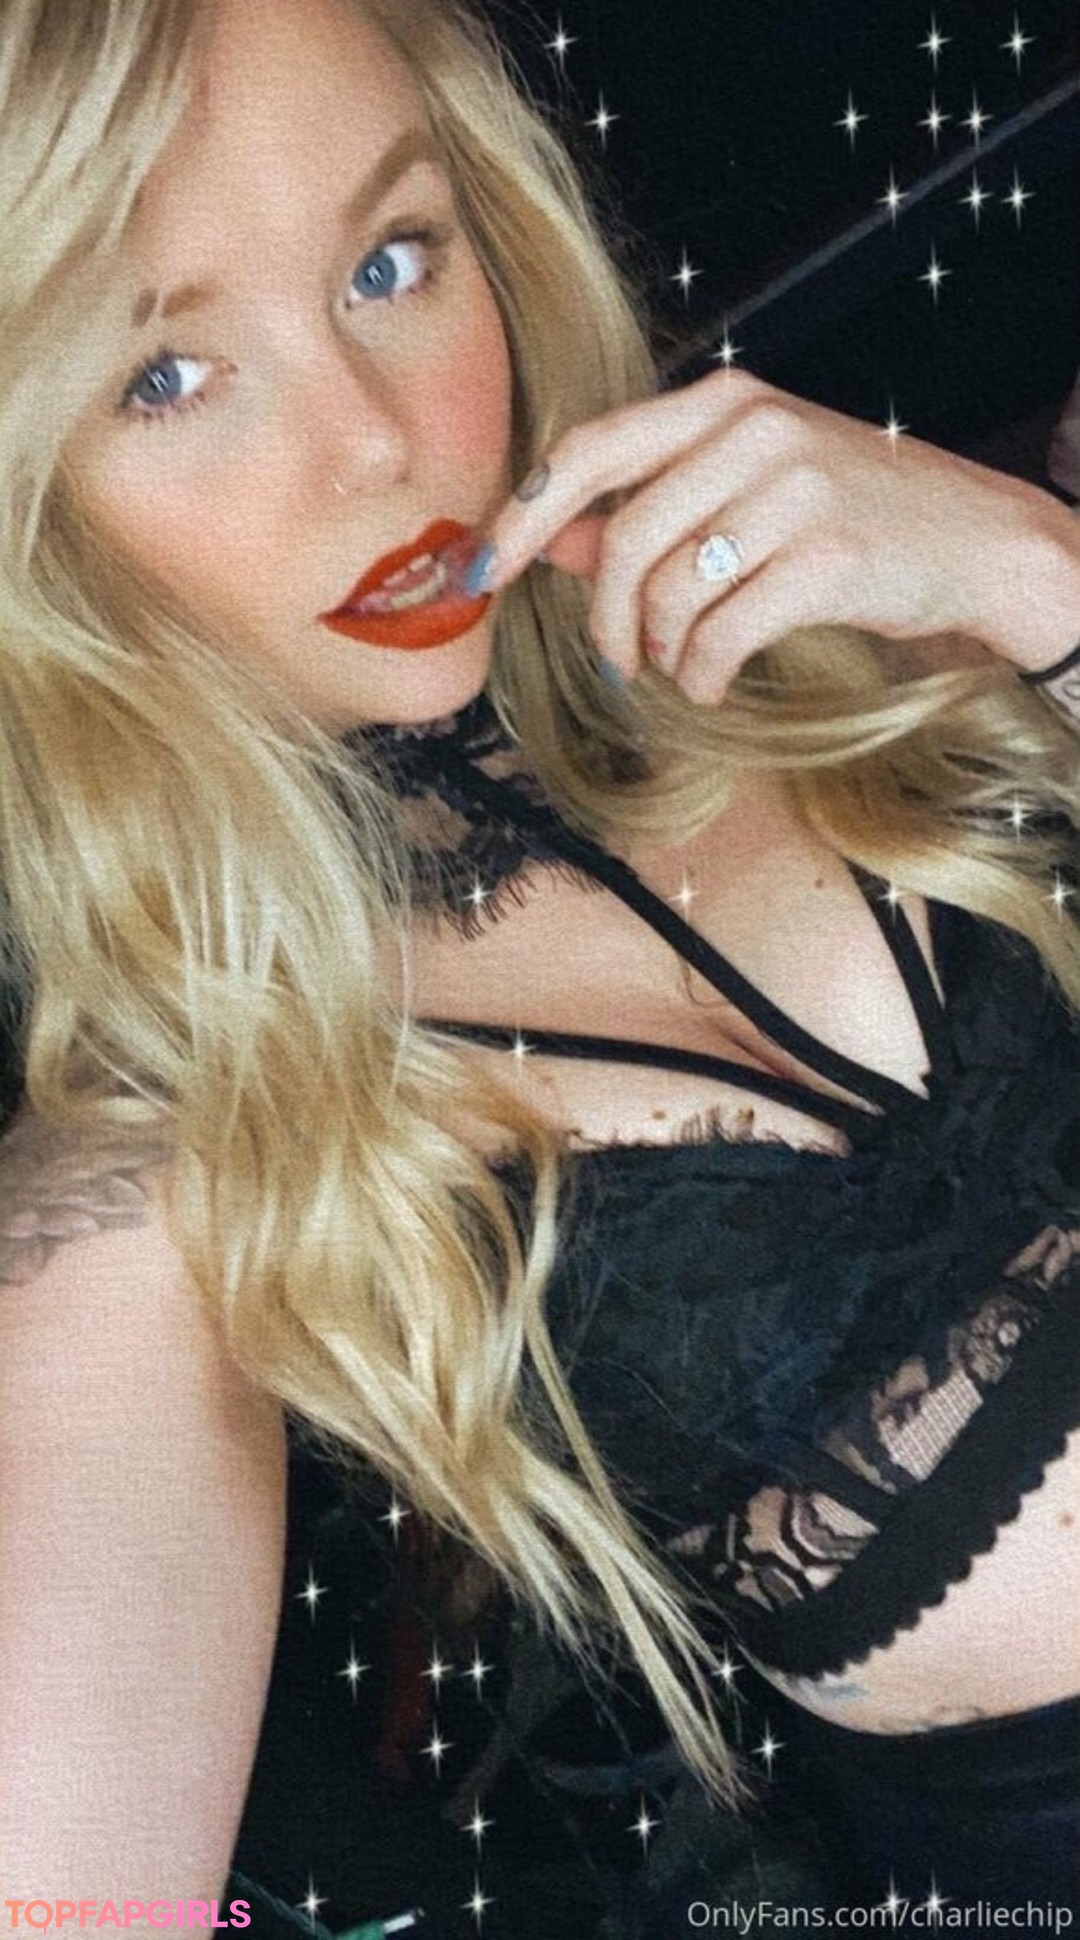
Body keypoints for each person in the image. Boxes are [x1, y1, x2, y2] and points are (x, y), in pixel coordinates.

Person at [1, 0, 1078, 1932]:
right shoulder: (173, 1166)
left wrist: (1036, 578)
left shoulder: (836, 607)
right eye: (164, 374)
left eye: (390, 261)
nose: (372, 438)